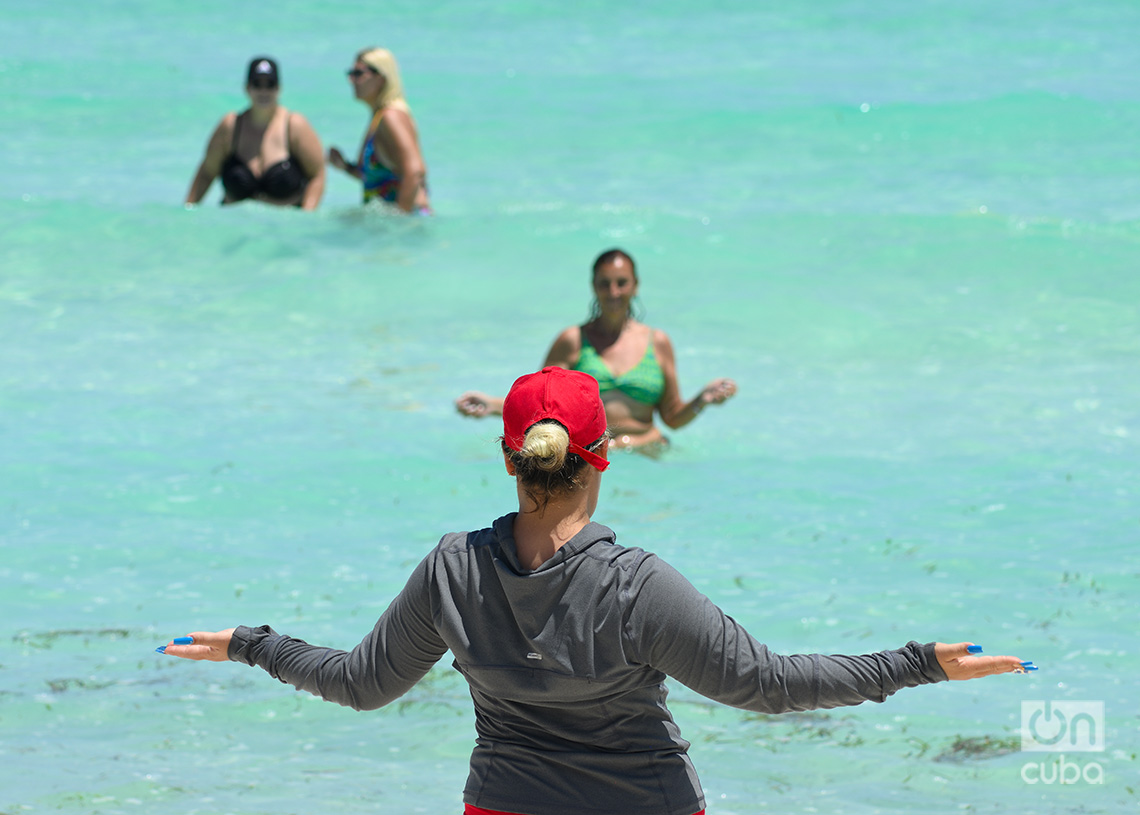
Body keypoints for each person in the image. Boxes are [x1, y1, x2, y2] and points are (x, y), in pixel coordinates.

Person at [158, 366, 1035, 815]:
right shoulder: (633, 585)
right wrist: (917, 663)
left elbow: (360, 684)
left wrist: (251, 643)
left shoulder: (453, 567)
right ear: (601, 457)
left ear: (509, 456)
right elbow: (768, 685)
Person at [456, 249, 737, 451]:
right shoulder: (573, 341)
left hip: (649, 453)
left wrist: (703, 399)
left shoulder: (658, 342)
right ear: (593, 287)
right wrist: (491, 405)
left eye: (622, 282)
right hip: (592, 458)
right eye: (605, 284)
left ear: (635, 286)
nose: (613, 291)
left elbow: (673, 417)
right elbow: (539, 404)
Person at [185, 57, 326, 210]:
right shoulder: (230, 126)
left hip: (284, 229)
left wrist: (306, 216)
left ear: (278, 88)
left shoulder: (294, 125)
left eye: (270, 85)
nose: (263, 91)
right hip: (234, 225)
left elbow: (317, 175)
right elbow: (207, 172)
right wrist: (187, 211)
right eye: (257, 84)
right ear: (247, 88)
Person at [327, 47, 431, 214]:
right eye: (351, 73)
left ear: (381, 78)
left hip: (410, 220)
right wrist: (345, 166)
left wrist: (400, 223)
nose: (351, 80)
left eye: (358, 73)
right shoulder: (378, 117)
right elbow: (378, 178)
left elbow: (415, 171)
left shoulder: (391, 117)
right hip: (392, 221)